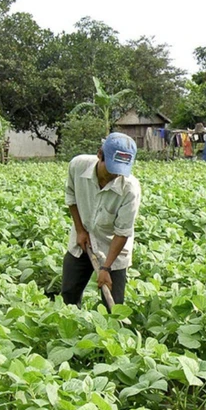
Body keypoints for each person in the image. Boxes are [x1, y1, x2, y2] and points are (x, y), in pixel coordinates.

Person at [62, 132, 141, 309]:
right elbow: (71, 197)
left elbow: (122, 232)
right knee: (69, 295)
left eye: (120, 170)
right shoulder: (78, 166)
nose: (115, 174)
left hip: (113, 247)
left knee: (114, 306)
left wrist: (106, 268)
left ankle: (111, 327)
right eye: (112, 168)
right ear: (100, 154)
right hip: (82, 240)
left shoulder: (130, 189)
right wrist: (80, 230)